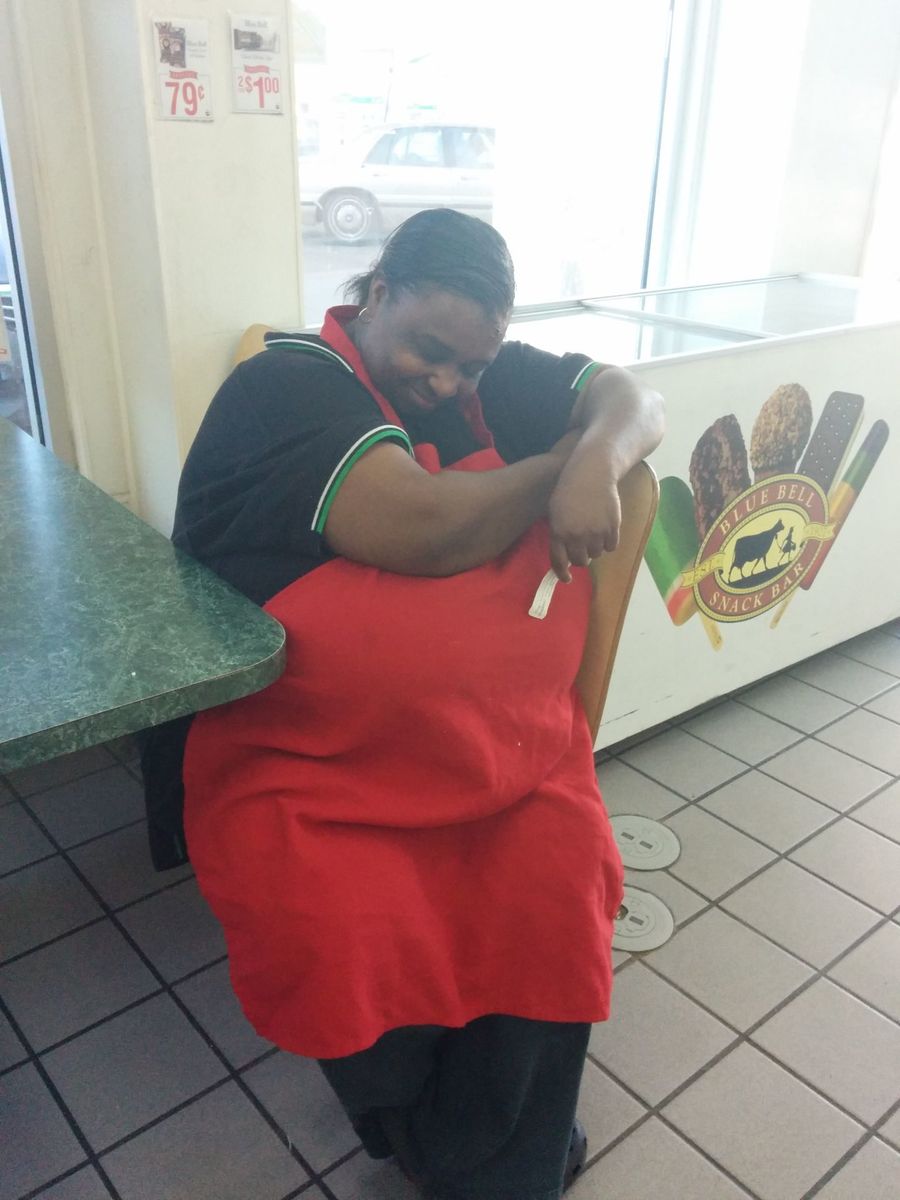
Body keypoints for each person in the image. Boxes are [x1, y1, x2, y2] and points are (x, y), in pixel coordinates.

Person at [170, 209, 664, 1199]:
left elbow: (632, 400)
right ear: (379, 291)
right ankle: (449, 1137)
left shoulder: (484, 371)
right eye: (429, 353)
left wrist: (600, 456)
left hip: (505, 759)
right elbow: (425, 528)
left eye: (470, 366)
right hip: (313, 768)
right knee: (336, 922)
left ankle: (484, 1149)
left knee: (557, 883)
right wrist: (557, 471)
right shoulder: (287, 386)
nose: (447, 384)